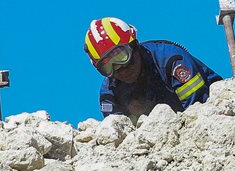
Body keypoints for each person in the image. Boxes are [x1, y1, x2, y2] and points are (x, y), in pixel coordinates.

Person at [83, 17, 223, 119]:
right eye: (108, 66)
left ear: (135, 46)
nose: (121, 69)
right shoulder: (110, 95)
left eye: (121, 57)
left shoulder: (171, 61)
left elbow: (200, 113)